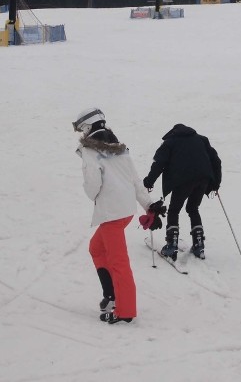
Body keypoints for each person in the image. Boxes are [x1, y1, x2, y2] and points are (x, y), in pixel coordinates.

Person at [73, 107, 162, 325]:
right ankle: (111, 294)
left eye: (81, 129)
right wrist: (149, 205)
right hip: (124, 212)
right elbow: (135, 180)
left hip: (111, 214)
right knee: (96, 248)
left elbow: (93, 185)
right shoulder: (120, 149)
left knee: (119, 262)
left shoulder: (90, 151)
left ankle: (125, 310)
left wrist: (91, 192)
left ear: (87, 126)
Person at [142, 124, 222, 260]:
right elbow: (216, 161)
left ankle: (171, 245)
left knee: (174, 210)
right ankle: (199, 244)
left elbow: (159, 163)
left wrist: (149, 182)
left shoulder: (170, 143)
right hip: (203, 178)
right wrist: (215, 183)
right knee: (193, 208)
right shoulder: (201, 139)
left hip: (182, 180)